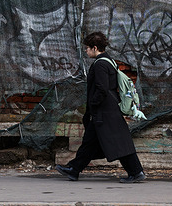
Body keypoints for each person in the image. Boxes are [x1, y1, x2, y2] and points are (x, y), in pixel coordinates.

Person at [56, 31, 146, 183]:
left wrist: (93, 104)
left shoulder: (100, 64)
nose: (86, 50)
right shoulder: (109, 61)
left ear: (95, 48)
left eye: (87, 48)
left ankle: (136, 172)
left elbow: (102, 88)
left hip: (104, 111)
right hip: (107, 110)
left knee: (118, 142)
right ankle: (74, 169)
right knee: (91, 142)